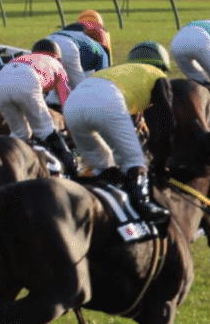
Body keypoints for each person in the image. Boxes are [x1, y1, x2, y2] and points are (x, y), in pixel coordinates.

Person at [64, 41, 172, 221]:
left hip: (73, 104)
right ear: (162, 65)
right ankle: (144, 207)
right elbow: (167, 121)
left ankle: (81, 204)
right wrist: (161, 163)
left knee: (102, 166)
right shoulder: (158, 75)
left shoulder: (118, 72)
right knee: (134, 160)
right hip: (106, 100)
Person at [0, 39, 75, 175]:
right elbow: (67, 103)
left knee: (20, 133)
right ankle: (70, 169)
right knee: (45, 130)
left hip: (1, 79)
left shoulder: (24, 58)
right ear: (56, 56)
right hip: (27, 77)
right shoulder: (57, 65)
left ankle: (4, 167)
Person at [46, 22, 110, 86]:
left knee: (47, 84)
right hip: (68, 45)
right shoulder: (100, 48)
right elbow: (103, 77)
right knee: (81, 86)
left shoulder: (79, 37)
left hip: (46, 40)